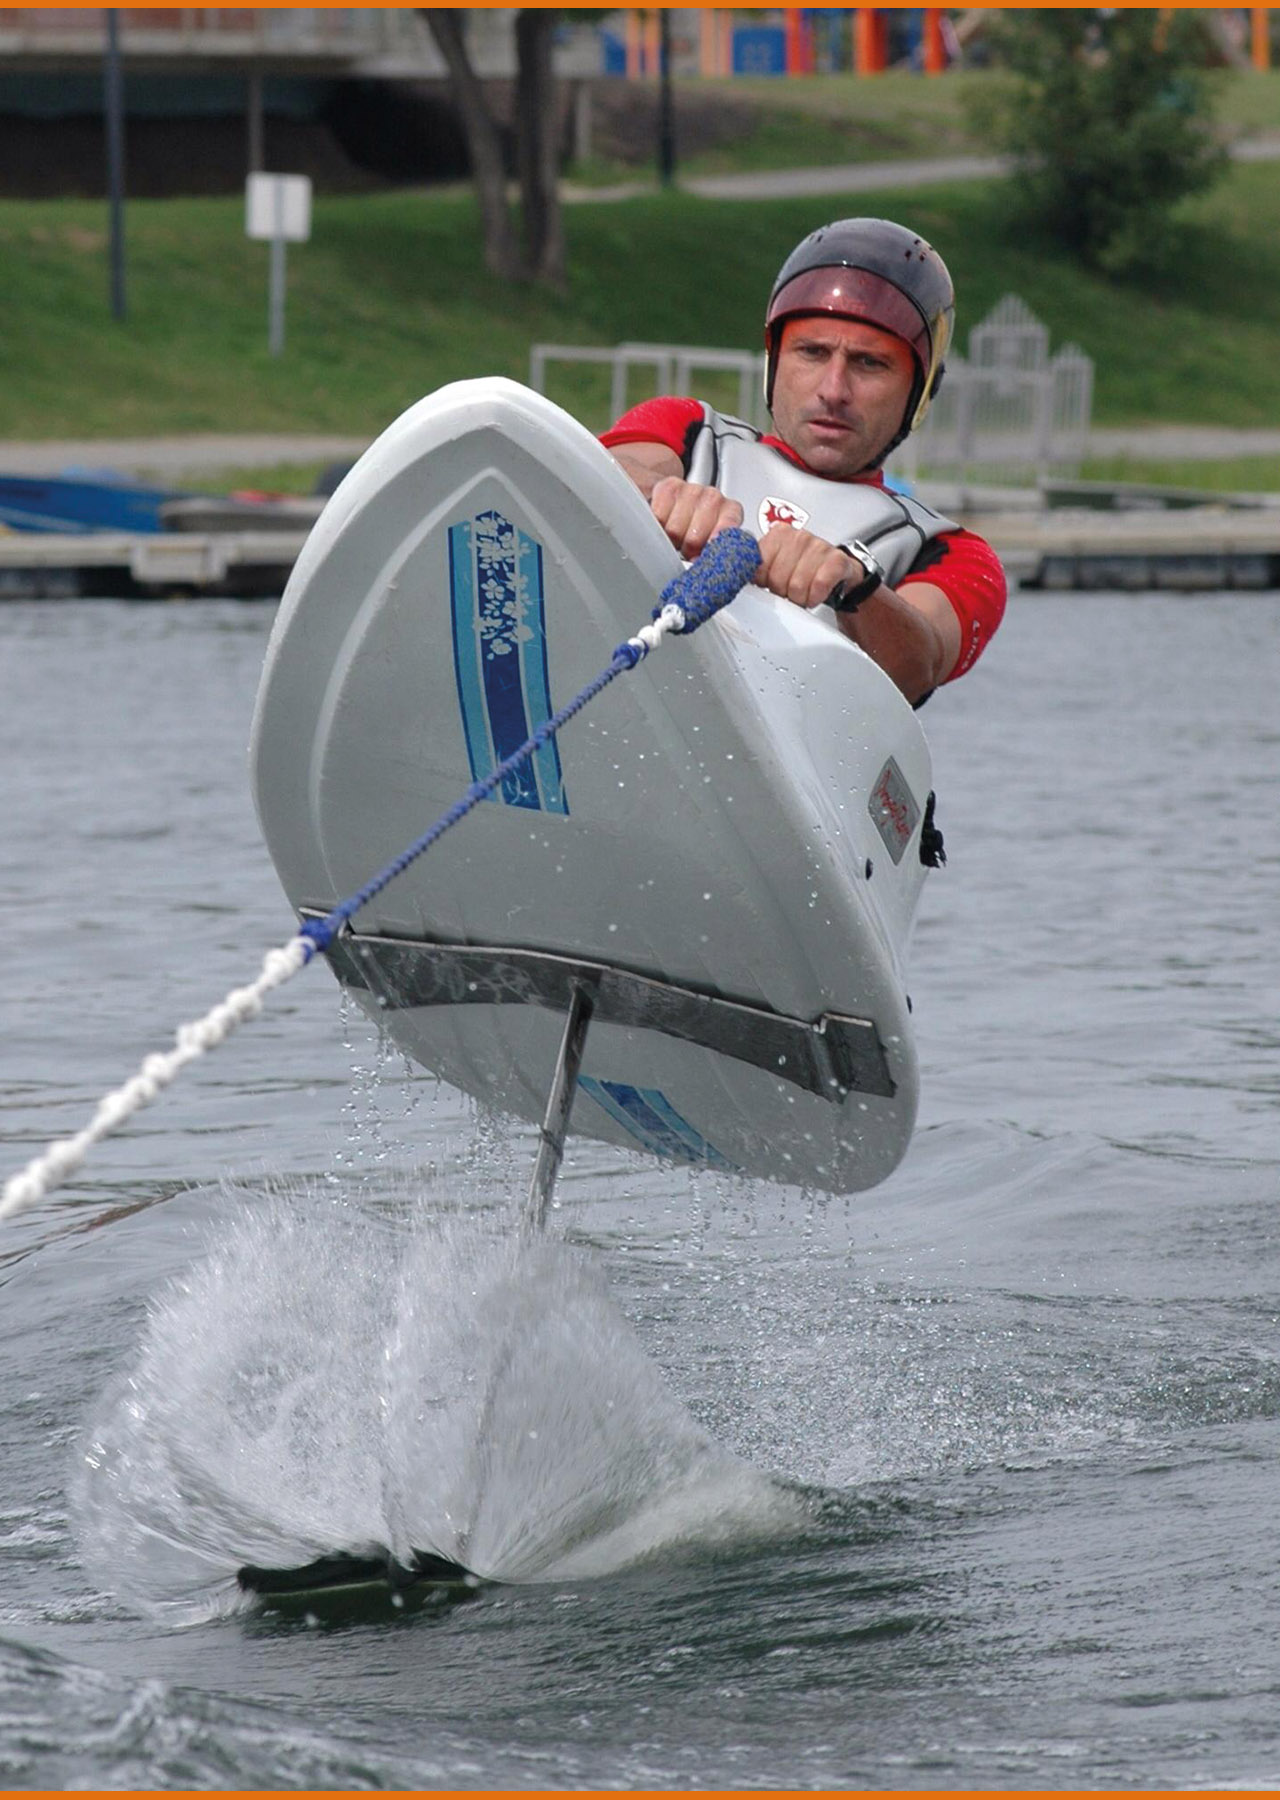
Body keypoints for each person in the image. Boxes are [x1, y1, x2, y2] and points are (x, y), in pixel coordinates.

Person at [601, 217, 1006, 706]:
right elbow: (599, 468)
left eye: (869, 363)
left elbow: (919, 664)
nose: (833, 390)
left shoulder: (951, 552)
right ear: (774, 360)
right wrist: (659, 495)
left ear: (918, 392)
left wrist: (855, 586)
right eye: (812, 352)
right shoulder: (687, 430)